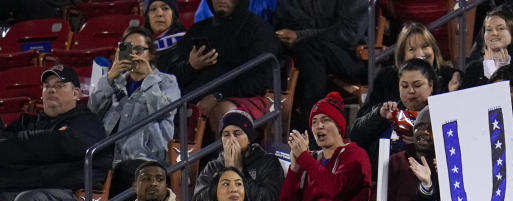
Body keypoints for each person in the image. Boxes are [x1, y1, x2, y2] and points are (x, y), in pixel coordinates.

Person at [0, 65, 113, 201]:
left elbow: (69, 145)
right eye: (47, 86)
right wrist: (50, 139)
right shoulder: (25, 121)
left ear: (76, 93)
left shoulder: (87, 123)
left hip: (69, 198)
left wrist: (22, 142)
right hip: (8, 191)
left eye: (60, 85)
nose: (51, 90)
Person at [88, 25, 180, 187]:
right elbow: (92, 110)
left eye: (138, 50)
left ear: (150, 54)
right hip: (111, 157)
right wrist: (110, 77)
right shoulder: (116, 82)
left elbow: (163, 111)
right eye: (127, 49)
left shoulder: (167, 81)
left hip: (148, 157)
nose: (133, 56)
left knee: (124, 173)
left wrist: (148, 78)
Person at [165, 0, 277, 131]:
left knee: (224, 113)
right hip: (189, 98)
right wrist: (191, 66)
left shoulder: (259, 30)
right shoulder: (198, 29)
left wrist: (218, 95)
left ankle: (226, 152)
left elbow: (259, 79)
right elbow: (170, 76)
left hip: (239, 98)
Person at [273, 1, 367, 129]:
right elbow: (287, 19)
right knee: (298, 52)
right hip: (306, 51)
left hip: (352, 55)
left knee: (309, 50)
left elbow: (349, 33)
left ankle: (308, 128)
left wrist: (302, 35)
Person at [280, 93, 372, 201]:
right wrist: (295, 169)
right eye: (314, 122)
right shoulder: (312, 158)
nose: (319, 126)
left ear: (339, 126)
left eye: (326, 120)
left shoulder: (355, 154)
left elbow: (337, 191)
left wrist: (305, 158)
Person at [193, 110, 284, 201]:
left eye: (237, 134)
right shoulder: (213, 166)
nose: (231, 139)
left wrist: (238, 173)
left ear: (249, 138)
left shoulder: (267, 162)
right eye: (226, 135)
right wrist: (226, 174)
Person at [350, 59, 436, 163]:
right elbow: (355, 136)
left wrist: (426, 143)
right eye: (404, 86)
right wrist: (378, 115)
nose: (411, 91)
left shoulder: (441, 115)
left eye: (417, 85)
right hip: (384, 176)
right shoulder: (388, 110)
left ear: (431, 85)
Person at [362, 22, 458, 112]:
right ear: (402, 55)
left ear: (434, 50)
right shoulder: (386, 78)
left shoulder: (451, 78)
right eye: (412, 49)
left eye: (425, 46)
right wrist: (382, 113)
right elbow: (362, 118)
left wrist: (450, 97)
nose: (420, 54)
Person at [461, 9, 513, 100]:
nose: (494, 33)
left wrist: (496, 75)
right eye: (489, 30)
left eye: (500, 28)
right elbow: (468, 103)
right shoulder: (474, 68)